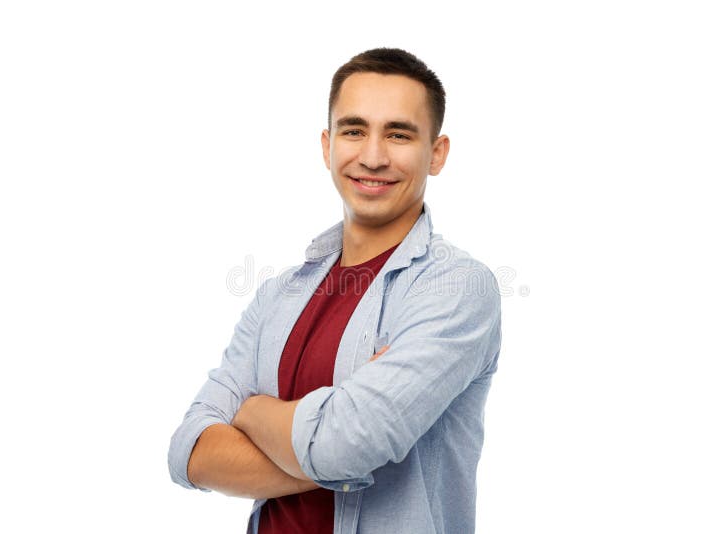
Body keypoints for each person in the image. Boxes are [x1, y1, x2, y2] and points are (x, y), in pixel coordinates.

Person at [168, 47, 503, 534]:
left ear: (437, 153)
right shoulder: (279, 294)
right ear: (327, 145)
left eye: (398, 134)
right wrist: (333, 433)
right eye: (354, 130)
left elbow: (347, 447)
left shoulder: (458, 289)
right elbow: (189, 452)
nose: (372, 156)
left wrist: (251, 410)